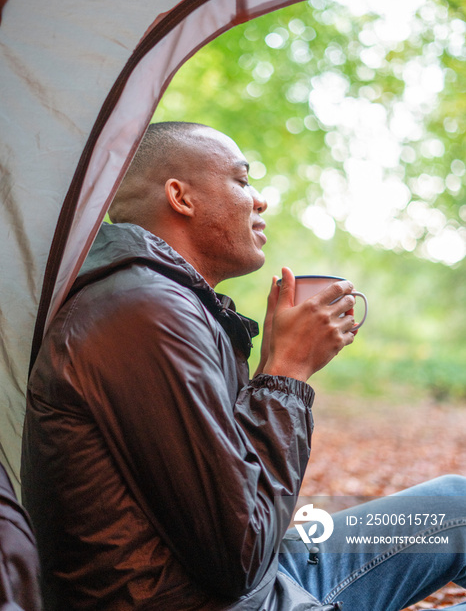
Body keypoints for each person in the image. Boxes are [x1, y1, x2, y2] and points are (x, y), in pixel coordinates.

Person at [21, 122, 466, 611]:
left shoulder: (164, 302)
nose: (260, 201)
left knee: (459, 501)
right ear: (180, 197)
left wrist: (269, 372)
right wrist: (287, 373)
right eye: (242, 180)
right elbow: (242, 553)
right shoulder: (141, 310)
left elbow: (231, 505)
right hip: (215, 599)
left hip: (237, 586)